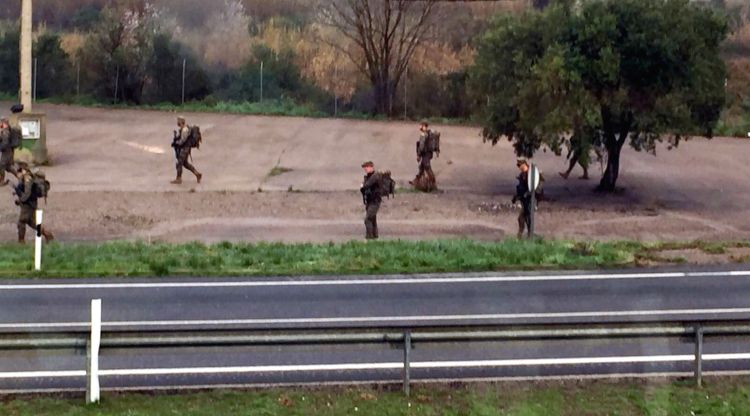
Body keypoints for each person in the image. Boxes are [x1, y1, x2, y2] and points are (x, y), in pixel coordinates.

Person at [14, 162, 54, 244]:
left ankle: (21, 242)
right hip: (30, 203)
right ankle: (47, 234)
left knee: (21, 222)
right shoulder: (27, 178)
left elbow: (27, 194)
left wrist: (21, 200)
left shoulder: (28, 179)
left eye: (19, 171)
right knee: (31, 222)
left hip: (29, 204)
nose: (18, 173)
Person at [171, 116, 202, 185]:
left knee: (179, 163)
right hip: (185, 148)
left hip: (184, 149)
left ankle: (178, 178)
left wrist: (176, 143)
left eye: (178, 121)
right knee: (185, 164)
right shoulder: (183, 129)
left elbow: (183, 141)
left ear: (181, 122)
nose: (177, 122)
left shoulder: (185, 130)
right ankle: (197, 174)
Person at [411, 120, 437, 192]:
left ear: (424, 126)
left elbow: (421, 146)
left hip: (425, 154)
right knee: (422, 167)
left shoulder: (423, 134)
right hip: (428, 153)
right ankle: (416, 181)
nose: (419, 127)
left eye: (421, 125)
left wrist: (418, 155)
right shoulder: (429, 133)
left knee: (427, 167)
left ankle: (433, 183)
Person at [360, 161, 382, 240]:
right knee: (372, 219)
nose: (365, 169)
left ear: (371, 167)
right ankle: (375, 237)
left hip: (375, 201)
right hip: (370, 201)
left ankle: (369, 237)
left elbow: (366, 185)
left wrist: (363, 186)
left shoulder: (375, 176)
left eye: (366, 167)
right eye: (364, 167)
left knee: (368, 219)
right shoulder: (369, 176)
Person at [512, 159, 533, 239]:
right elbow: (520, 188)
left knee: (526, 217)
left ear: (524, 164)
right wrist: (516, 197)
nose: (519, 167)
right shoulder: (522, 175)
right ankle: (521, 235)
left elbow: (533, 188)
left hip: (529, 200)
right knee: (522, 218)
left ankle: (527, 235)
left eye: (520, 165)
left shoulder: (530, 174)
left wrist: (526, 194)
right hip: (524, 200)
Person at [0, 118, 17, 186]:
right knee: (8, 167)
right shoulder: (5, 130)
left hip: (6, 152)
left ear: (4, 123)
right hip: (8, 151)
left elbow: (5, 142)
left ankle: (2, 181)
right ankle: (20, 176)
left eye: (1, 122)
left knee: (1, 165)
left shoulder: (5, 131)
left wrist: (0, 148)